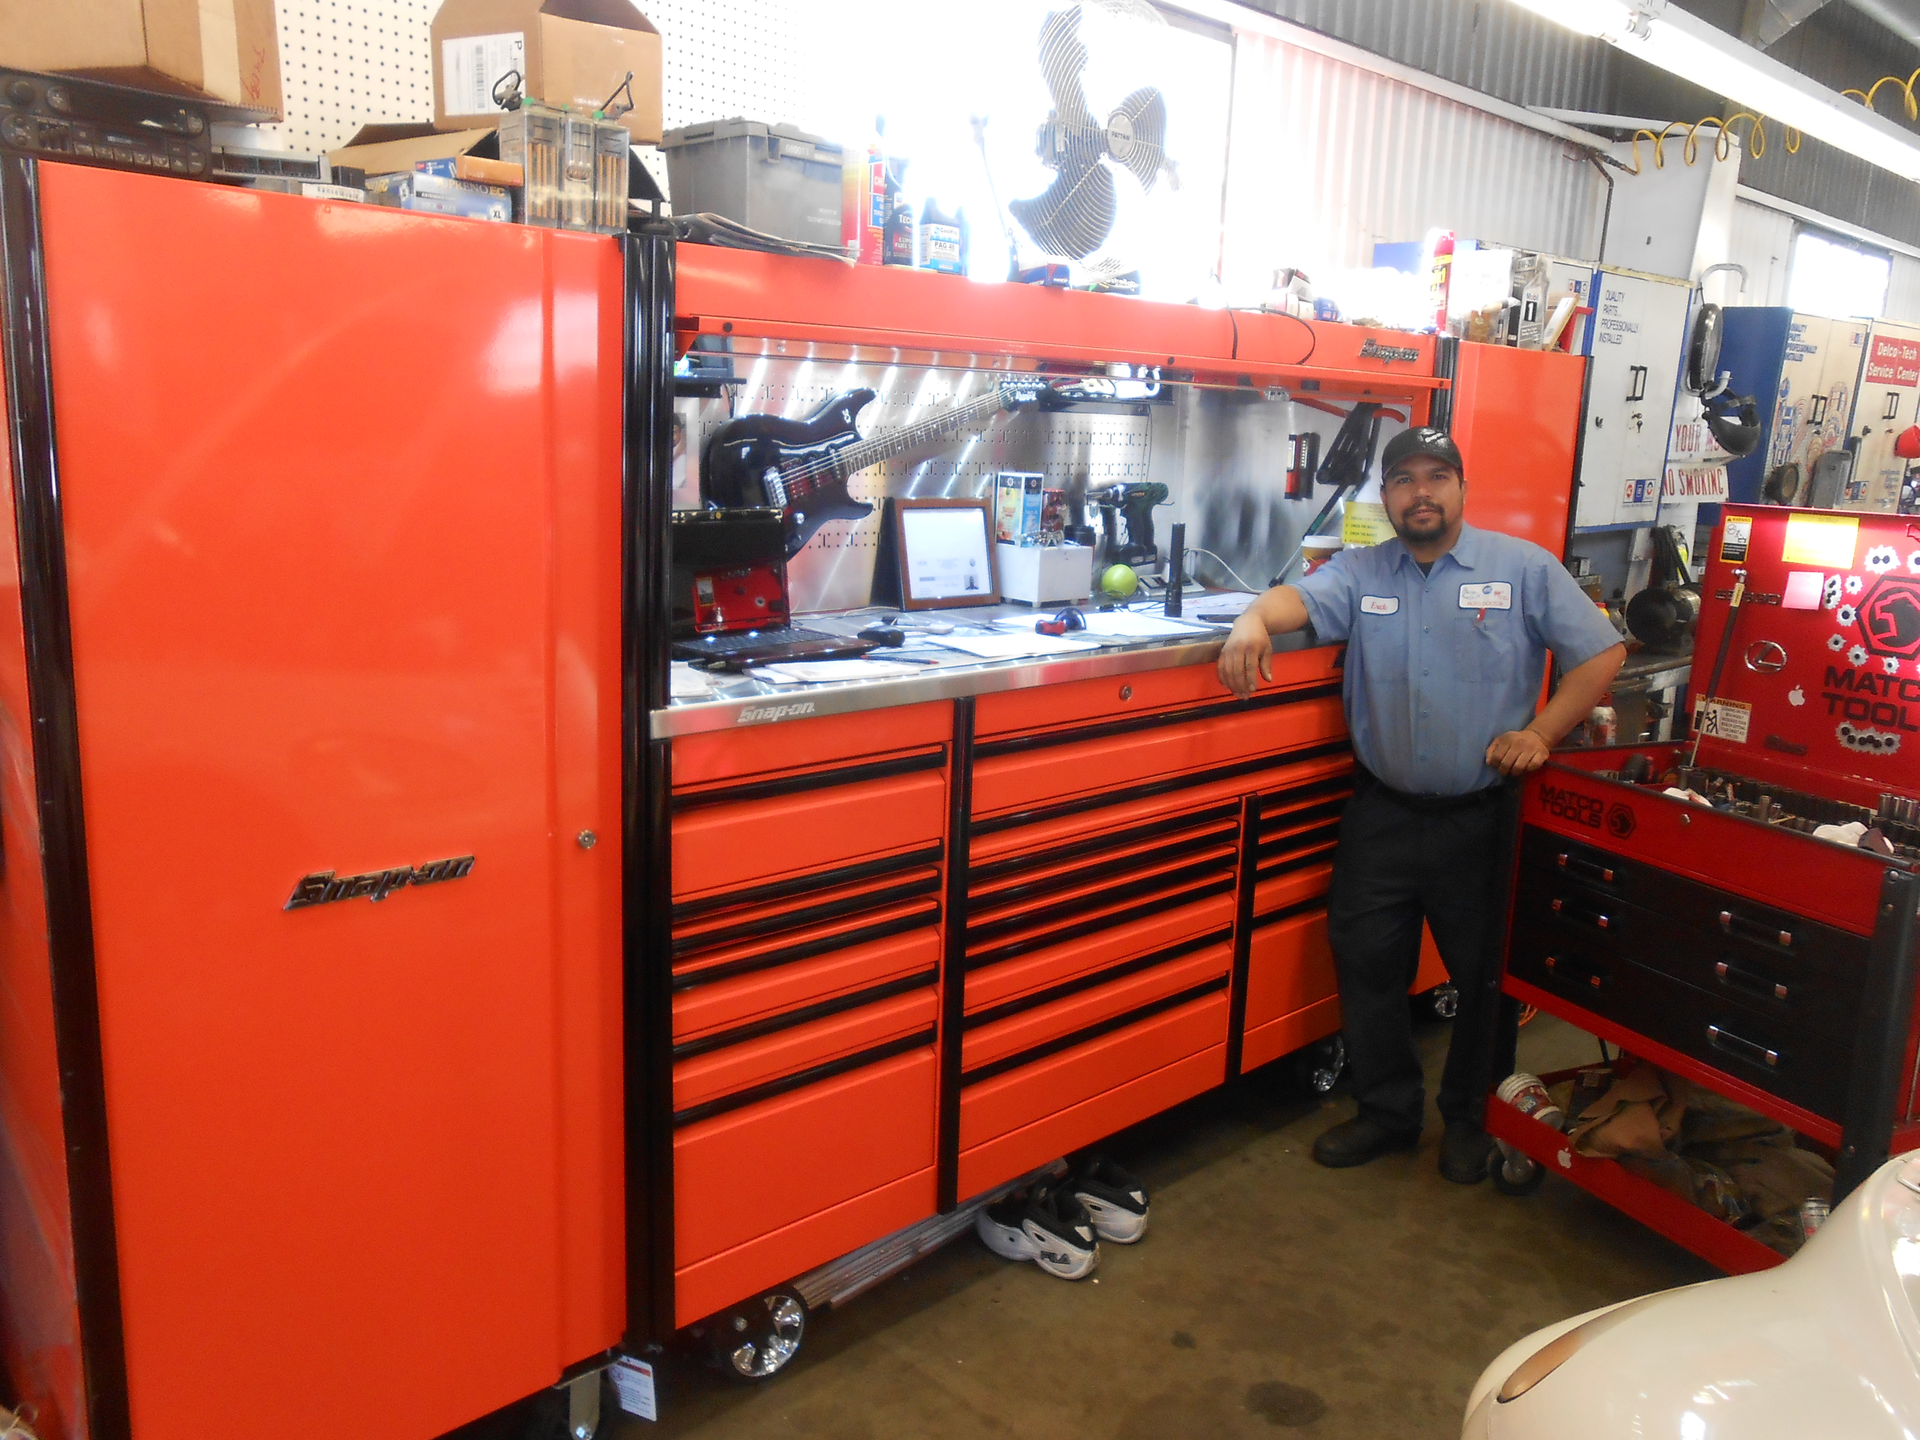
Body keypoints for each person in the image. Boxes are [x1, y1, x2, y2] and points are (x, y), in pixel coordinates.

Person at [1216, 427, 1624, 1183]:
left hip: (1482, 815)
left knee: (1483, 977)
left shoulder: (1521, 569)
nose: (1421, 493)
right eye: (1403, 479)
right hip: (1384, 812)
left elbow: (1600, 652)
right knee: (1367, 964)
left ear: (1462, 488)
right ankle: (1387, 1112)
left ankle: (1472, 1116)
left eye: (1438, 477)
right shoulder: (1364, 571)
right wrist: (1249, 619)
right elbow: (1293, 600)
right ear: (1388, 496)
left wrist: (1541, 731)